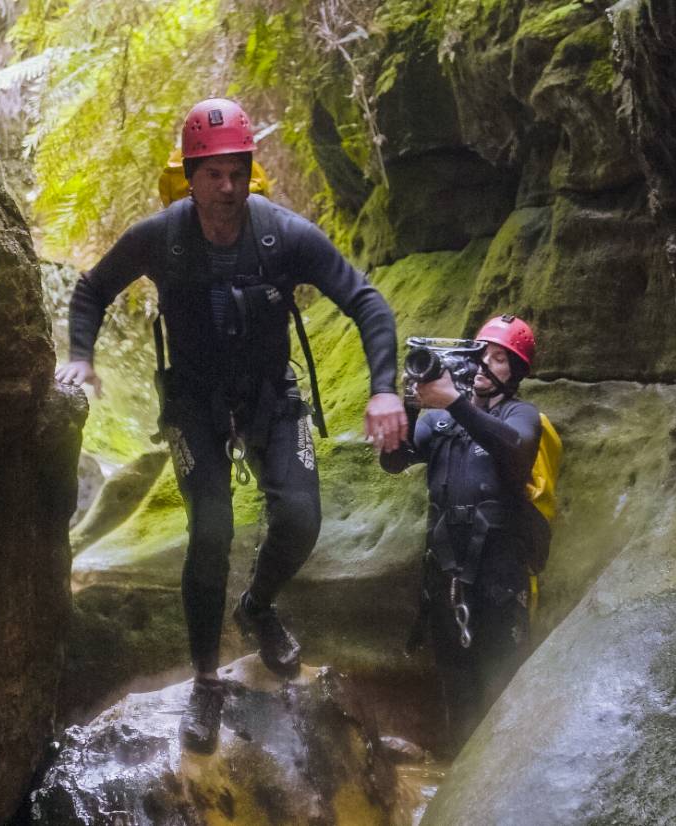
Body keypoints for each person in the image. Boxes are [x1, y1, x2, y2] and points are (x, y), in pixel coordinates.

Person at [56, 98, 405, 754]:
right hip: (194, 404)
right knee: (210, 529)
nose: (225, 186)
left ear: (250, 172)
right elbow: (91, 289)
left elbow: (366, 301)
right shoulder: (158, 237)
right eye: (211, 173)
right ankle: (206, 681)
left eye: (235, 171)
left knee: (300, 519)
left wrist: (385, 390)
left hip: (272, 397)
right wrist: (81, 356)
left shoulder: (283, 235)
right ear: (189, 176)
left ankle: (258, 606)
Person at [380, 314, 540, 754]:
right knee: (457, 687)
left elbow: (515, 447)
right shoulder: (439, 423)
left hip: (499, 580)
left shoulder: (521, 415)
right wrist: (411, 405)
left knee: (504, 683)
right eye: (482, 355)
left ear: (518, 372)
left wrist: (453, 402)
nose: (487, 366)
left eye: (500, 359)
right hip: (446, 577)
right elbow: (393, 462)